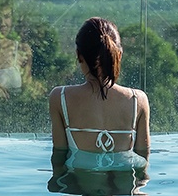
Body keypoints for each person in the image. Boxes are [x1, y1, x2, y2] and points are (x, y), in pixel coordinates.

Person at [49, 18, 150, 183]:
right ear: (119, 54)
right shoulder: (138, 100)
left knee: (53, 186)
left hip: (80, 187)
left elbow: (59, 159)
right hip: (123, 190)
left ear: (79, 55)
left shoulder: (60, 98)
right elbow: (143, 163)